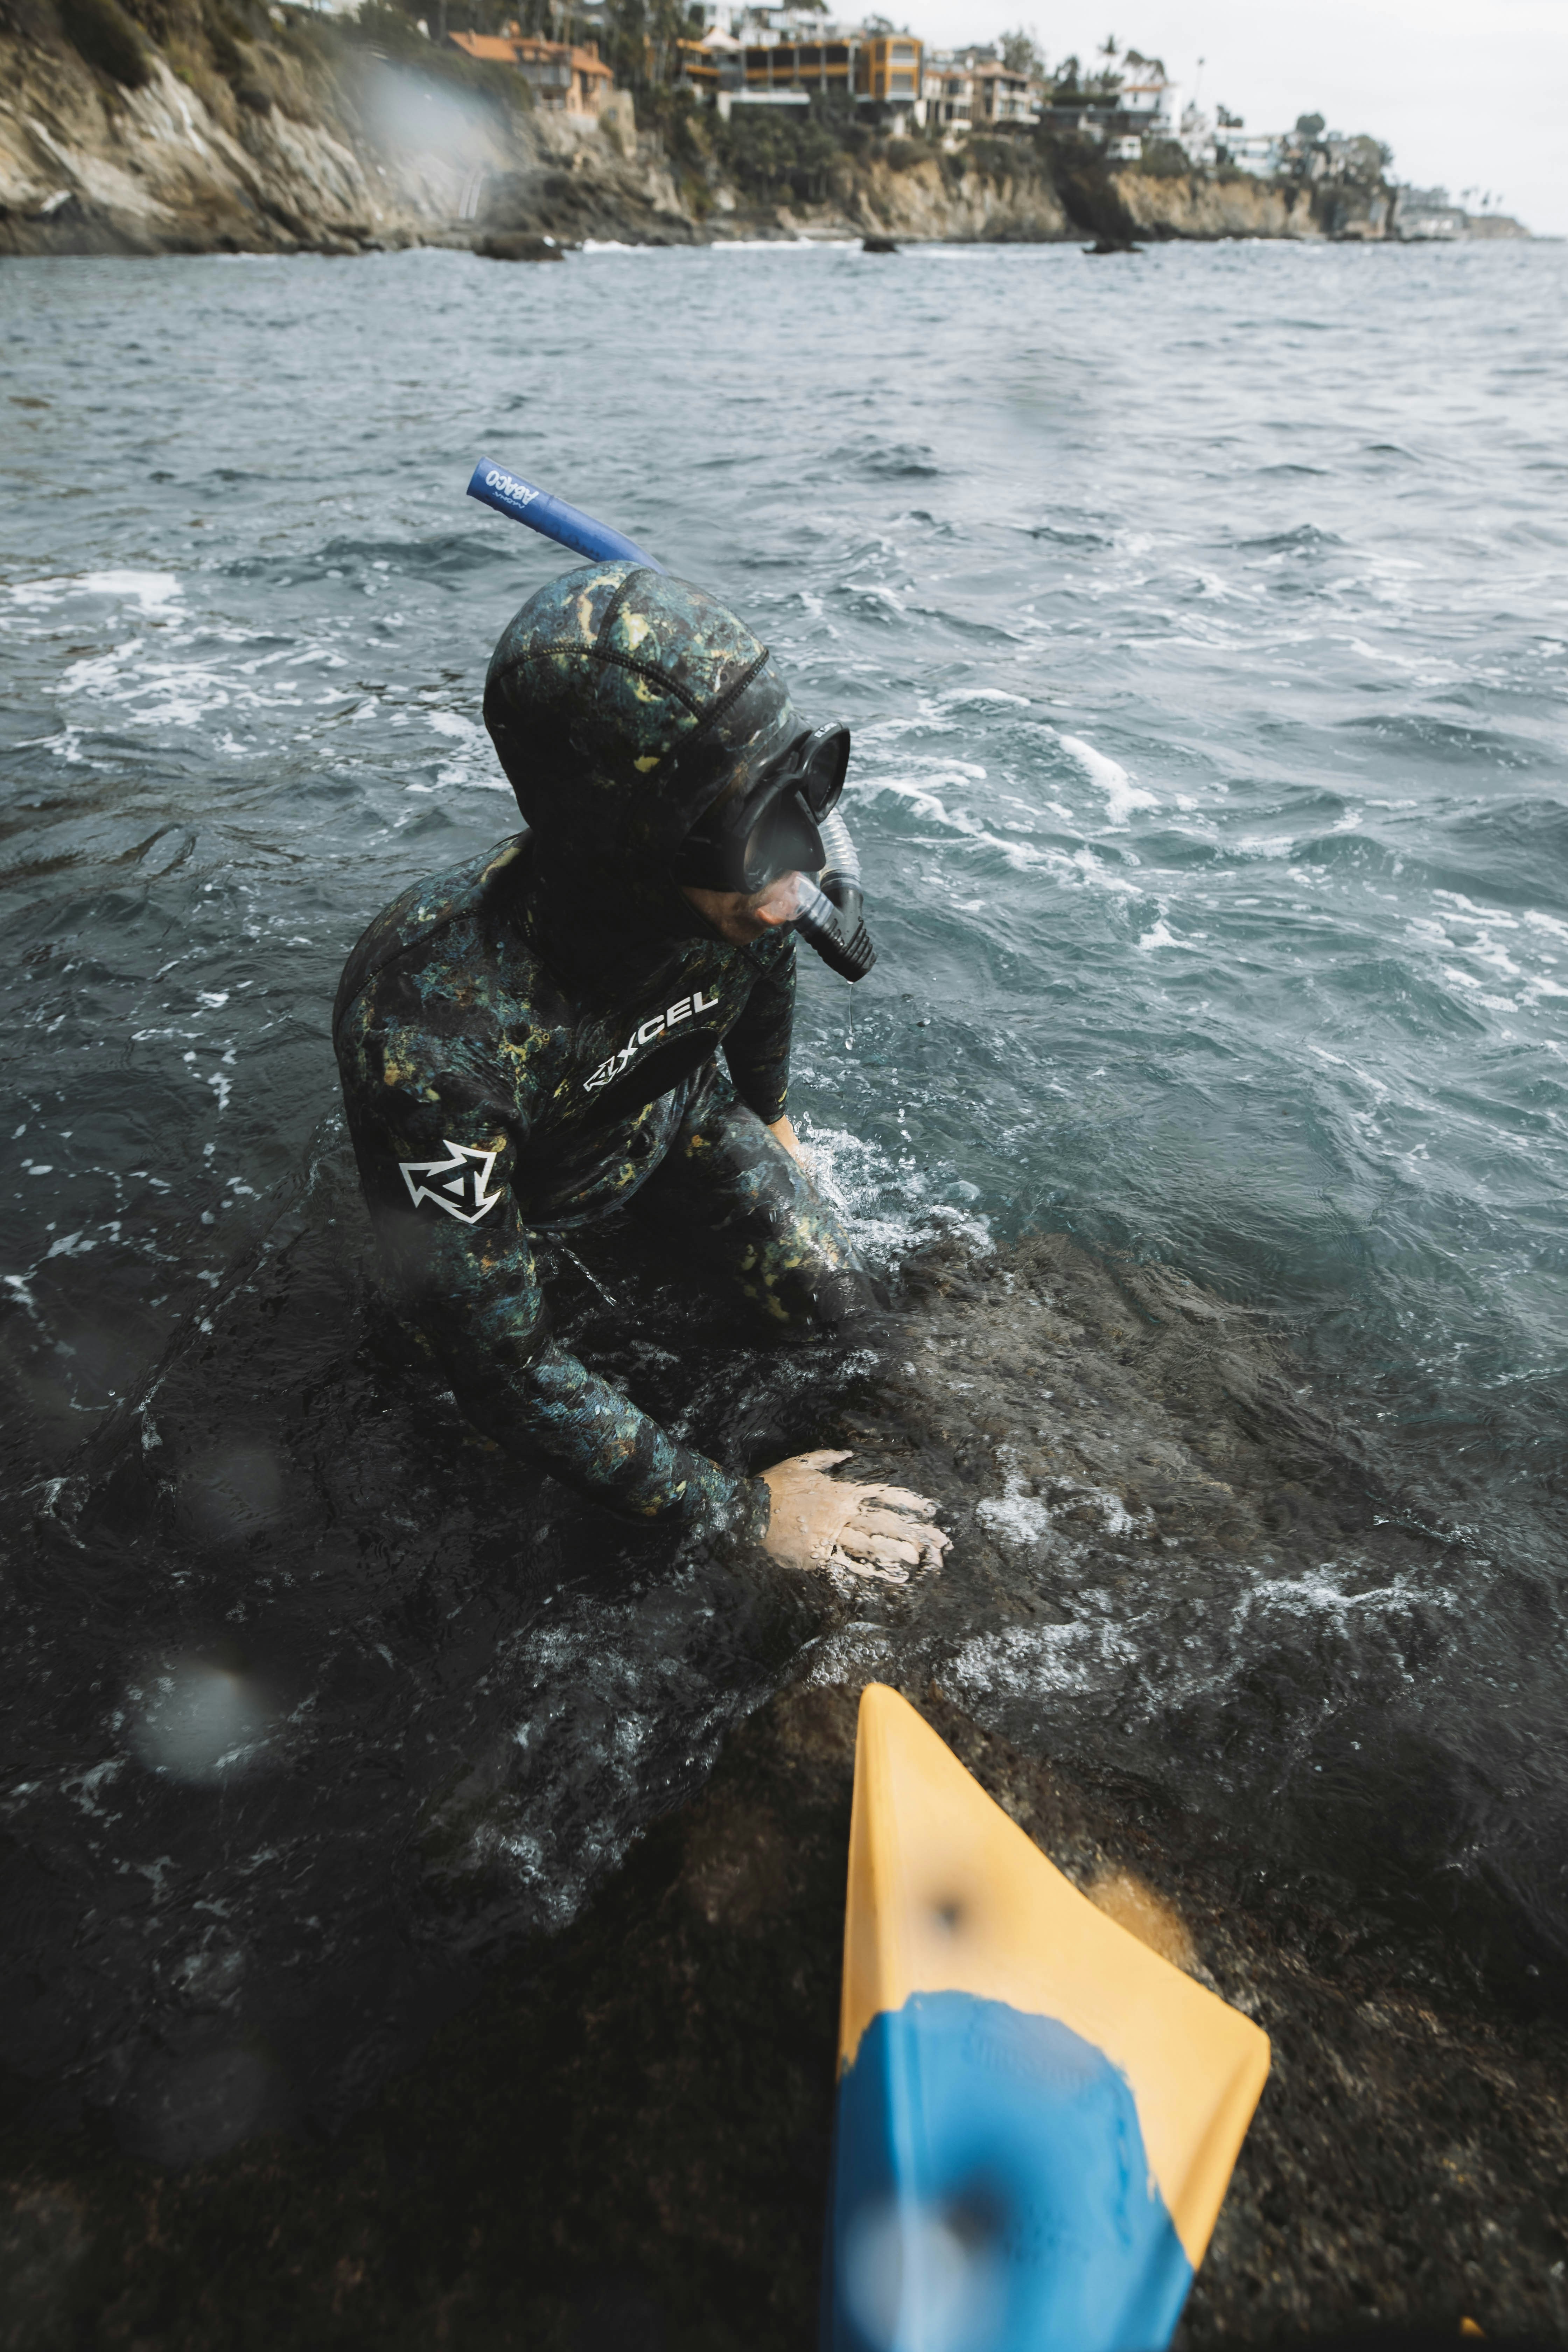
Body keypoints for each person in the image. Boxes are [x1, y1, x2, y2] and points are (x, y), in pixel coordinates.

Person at [332, 562, 949, 1582]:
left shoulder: (740, 886)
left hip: (677, 1118)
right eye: (749, 838)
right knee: (505, 1483)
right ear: (623, 848)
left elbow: (760, 987)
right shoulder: (436, 1029)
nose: (789, 884)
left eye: (799, 800)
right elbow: (504, 1365)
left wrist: (775, 1118)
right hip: (526, 1214)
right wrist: (749, 1513)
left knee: (860, 1332)